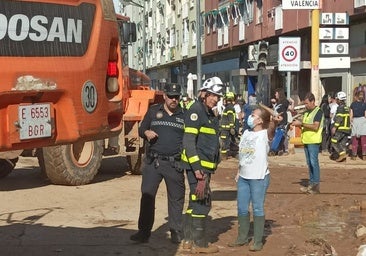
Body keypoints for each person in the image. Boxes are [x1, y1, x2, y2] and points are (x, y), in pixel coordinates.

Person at [130, 83, 185, 244]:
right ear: (165, 96)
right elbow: (141, 129)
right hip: (153, 163)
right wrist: (146, 132)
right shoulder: (154, 111)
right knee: (147, 196)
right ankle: (144, 232)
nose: (174, 100)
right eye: (171, 96)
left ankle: (175, 230)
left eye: (177, 97)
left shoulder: (185, 115)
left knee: (176, 198)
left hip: (174, 164)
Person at [180, 76, 223, 254]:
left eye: (218, 97)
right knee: (202, 202)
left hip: (203, 167)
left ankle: (188, 240)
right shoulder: (196, 110)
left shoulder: (207, 112)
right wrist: (198, 168)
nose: (215, 99)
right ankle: (200, 244)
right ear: (204, 93)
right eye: (213, 95)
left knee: (195, 201)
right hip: (198, 168)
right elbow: (189, 141)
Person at [228, 105, 279, 251]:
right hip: (244, 176)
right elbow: (243, 155)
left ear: (260, 120)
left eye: (254, 115)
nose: (250, 116)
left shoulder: (265, 134)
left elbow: (273, 122)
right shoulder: (246, 133)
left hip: (259, 177)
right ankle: (242, 237)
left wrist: (268, 111)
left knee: (257, 208)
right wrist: (239, 170)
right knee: (242, 208)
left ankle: (257, 241)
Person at [292, 92, 324, 194]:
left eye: (307, 103)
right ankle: (311, 184)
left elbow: (315, 126)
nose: (305, 105)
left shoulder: (318, 112)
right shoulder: (306, 112)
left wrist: (301, 123)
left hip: (314, 141)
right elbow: (304, 123)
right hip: (306, 141)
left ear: (313, 101)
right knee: (309, 163)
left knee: (314, 163)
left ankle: (315, 185)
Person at [330, 91, 351, 162]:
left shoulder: (340, 108)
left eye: (337, 99)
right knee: (342, 143)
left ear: (339, 99)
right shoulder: (346, 108)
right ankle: (343, 159)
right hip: (347, 129)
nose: (336, 100)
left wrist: (335, 127)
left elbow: (339, 118)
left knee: (334, 141)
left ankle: (342, 154)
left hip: (341, 129)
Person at [269, 88, 289, 156]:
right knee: (280, 136)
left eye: (276, 93)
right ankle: (280, 149)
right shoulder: (277, 103)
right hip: (276, 122)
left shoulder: (284, 101)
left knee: (279, 135)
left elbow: (286, 107)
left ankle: (273, 150)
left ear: (279, 94)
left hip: (282, 121)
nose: (275, 94)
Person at [220, 91, 238, 159]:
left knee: (226, 141)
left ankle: (226, 155)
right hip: (226, 129)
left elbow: (230, 117)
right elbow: (230, 118)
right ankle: (224, 156)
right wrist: (231, 127)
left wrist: (231, 127)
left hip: (226, 129)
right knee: (225, 142)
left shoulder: (229, 108)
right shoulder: (229, 107)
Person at [349, 90, 366, 160]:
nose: (361, 96)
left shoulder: (362, 104)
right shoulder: (354, 104)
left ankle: (358, 155)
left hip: (359, 120)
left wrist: (351, 121)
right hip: (358, 120)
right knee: (358, 138)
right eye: (360, 94)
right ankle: (360, 155)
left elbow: (351, 114)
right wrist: (351, 121)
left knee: (360, 138)